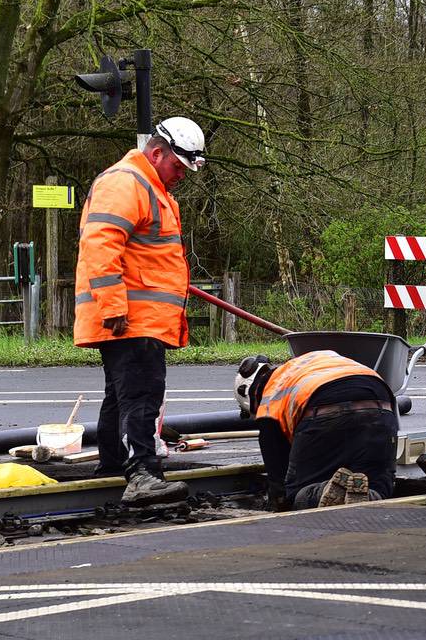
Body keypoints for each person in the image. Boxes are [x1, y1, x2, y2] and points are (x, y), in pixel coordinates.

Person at [73, 118, 207, 504]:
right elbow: (100, 245)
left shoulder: (148, 186)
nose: (180, 175)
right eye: (178, 167)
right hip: (131, 318)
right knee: (142, 395)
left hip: (137, 317)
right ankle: (142, 476)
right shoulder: (127, 182)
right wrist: (113, 304)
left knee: (121, 395)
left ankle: (114, 468)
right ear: (157, 152)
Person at [235, 350, 399, 509]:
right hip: (382, 404)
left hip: (323, 408)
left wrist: (278, 502)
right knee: (378, 483)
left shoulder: (269, 403)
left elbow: (279, 480)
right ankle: (372, 496)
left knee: (297, 493)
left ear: (248, 398)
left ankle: (322, 492)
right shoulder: (304, 365)